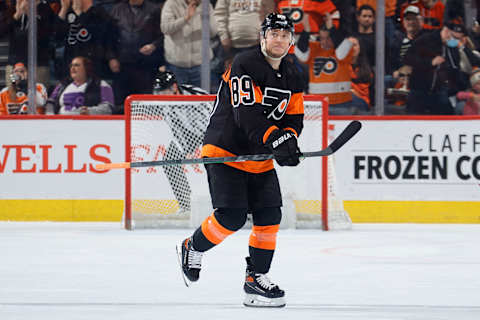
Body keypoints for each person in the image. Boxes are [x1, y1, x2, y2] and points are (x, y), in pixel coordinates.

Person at [177, 13, 304, 308]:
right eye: (274, 34)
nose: (279, 40)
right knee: (231, 217)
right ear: (262, 37)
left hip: (258, 155)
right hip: (225, 150)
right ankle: (191, 246)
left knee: (270, 215)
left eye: (285, 35)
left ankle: (255, 279)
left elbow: (294, 117)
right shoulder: (245, 64)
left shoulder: (294, 73)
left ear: (291, 41)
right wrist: (276, 139)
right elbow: (245, 114)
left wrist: (289, 139)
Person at [153, 68, 209, 217]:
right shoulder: (163, 102)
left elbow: (214, 120)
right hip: (187, 135)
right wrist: (186, 148)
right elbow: (175, 126)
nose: (161, 95)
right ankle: (185, 205)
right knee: (169, 161)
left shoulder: (197, 96)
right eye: (159, 92)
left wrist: (206, 145)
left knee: (220, 167)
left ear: (174, 88)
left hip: (211, 132)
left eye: (164, 91)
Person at [295, 12, 355, 114]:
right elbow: (301, 52)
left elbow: (341, 53)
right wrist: (306, 30)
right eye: (322, 38)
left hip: (341, 102)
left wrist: (331, 27)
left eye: (328, 38)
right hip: (317, 103)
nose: (324, 42)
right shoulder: (314, 48)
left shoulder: (346, 47)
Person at [109, 0, 165, 107]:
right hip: (122, 64)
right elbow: (109, 37)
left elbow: (164, 35)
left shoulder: (154, 10)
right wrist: (111, 57)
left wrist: (153, 45)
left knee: (145, 103)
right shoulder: (117, 10)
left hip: (146, 65)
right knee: (121, 102)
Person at [160, 0, 217, 89]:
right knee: (178, 101)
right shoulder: (171, 4)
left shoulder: (207, 5)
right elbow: (165, 28)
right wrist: (186, 18)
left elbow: (213, 32)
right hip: (177, 65)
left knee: (202, 99)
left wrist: (204, 17)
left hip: (201, 64)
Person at [45, 56, 114, 115]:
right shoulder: (62, 85)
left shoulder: (101, 85)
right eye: (71, 65)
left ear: (86, 68)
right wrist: (50, 116)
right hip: (61, 123)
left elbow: (108, 109)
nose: (72, 68)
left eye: (76, 65)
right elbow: (50, 103)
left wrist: (90, 111)